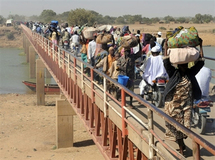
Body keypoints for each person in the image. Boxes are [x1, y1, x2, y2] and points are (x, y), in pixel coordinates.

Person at [163, 39, 204, 155]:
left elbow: (200, 63)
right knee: (176, 127)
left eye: (186, 65)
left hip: (186, 105)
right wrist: (165, 46)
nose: (184, 67)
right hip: (173, 104)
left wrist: (201, 46)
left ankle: (181, 144)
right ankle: (181, 148)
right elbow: (166, 62)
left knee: (186, 128)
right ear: (179, 66)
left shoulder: (190, 73)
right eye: (182, 65)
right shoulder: (173, 73)